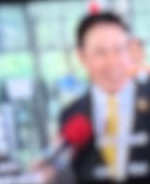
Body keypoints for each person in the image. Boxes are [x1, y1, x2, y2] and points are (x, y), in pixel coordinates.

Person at [60, 13, 150, 183]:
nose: (113, 62)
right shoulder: (71, 114)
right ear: (82, 56)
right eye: (100, 52)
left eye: (120, 49)